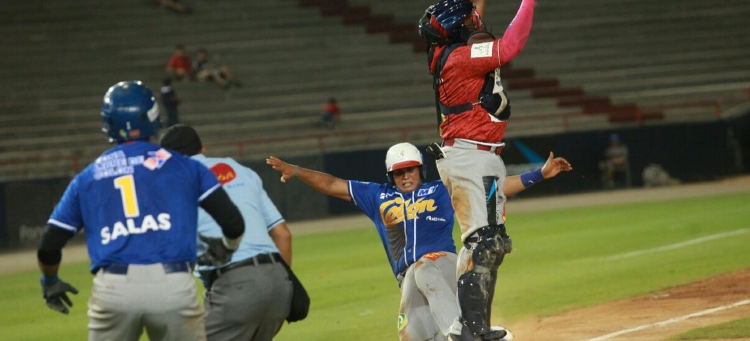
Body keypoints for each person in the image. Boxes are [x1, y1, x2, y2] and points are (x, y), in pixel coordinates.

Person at [266, 143, 571, 341]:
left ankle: (465, 332)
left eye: (410, 169)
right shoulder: (378, 196)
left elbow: (493, 187)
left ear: (420, 169)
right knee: (412, 337)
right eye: (398, 172)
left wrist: (540, 174)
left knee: (424, 266)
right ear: (391, 175)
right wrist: (296, 171)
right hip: (408, 281)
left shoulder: (441, 189)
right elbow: (332, 184)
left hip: (444, 268)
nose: (405, 176)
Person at [417, 0, 550, 340]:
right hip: (469, 155)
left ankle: (475, 327)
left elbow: (472, 3)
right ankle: (467, 331)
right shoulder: (459, 57)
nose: (475, 15)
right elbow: (510, 45)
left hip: (481, 155)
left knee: (491, 244)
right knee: (482, 244)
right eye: (468, 17)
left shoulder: (452, 47)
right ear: (459, 30)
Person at [36, 80, 245, 341]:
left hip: (114, 288)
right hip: (174, 285)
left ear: (108, 123)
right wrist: (227, 246)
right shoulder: (186, 167)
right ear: (154, 117)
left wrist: (50, 282)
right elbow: (234, 223)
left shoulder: (87, 178)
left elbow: (49, 243)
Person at [159, 124, 294, 341]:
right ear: (202, 148)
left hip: (234, 286)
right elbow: (283, 234)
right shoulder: (240, 169)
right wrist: (286, 288)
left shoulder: (173, 182)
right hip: (278, 282)